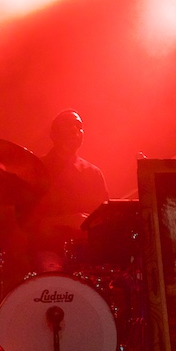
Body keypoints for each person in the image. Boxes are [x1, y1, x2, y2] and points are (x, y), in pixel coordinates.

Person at [18, 109, 108, 274]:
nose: (75, 130)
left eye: (79, 126)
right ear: (53, 134)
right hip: (48, 249)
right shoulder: (37, 169)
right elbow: (25, 221)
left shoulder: (93, 173)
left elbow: (105, 220)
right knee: (54, 277)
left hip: (86, 254)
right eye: (68, 125)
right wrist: (67, 220)